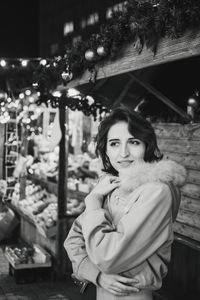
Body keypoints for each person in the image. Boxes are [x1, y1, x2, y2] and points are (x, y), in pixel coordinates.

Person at [64, 105, 187, 300]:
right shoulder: (109, 186)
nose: (123, 153)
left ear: (147, 145)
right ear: (105, 148)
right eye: (114, 143)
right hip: (100, 292)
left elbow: (108, 257)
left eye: (134, 142)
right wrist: (98, 276)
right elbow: (73, 240)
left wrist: (94, 203)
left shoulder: (156, 192)